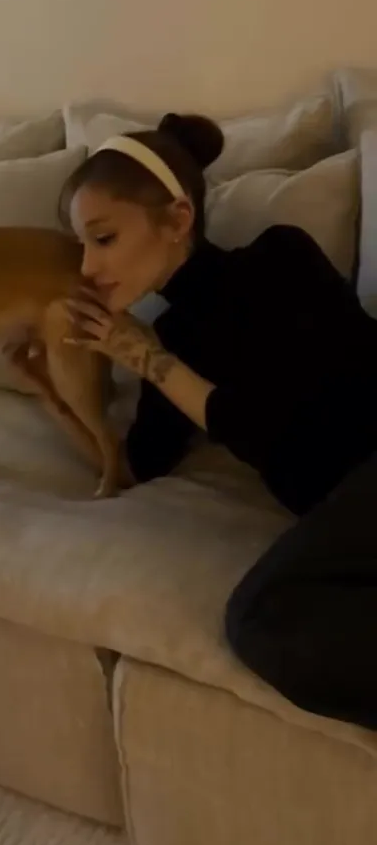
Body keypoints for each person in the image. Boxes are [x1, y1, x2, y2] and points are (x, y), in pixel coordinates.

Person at [60, 113, 377, 732]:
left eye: (103, 239)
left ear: (178, 220)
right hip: (354, 510)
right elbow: (135, 465)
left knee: (262, 618)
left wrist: (147, 359)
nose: (86, 270)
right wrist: (54, 383)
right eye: (80, 247)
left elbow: (269, 426)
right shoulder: (172, 340)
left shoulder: (278, 259)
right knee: (276, 624)